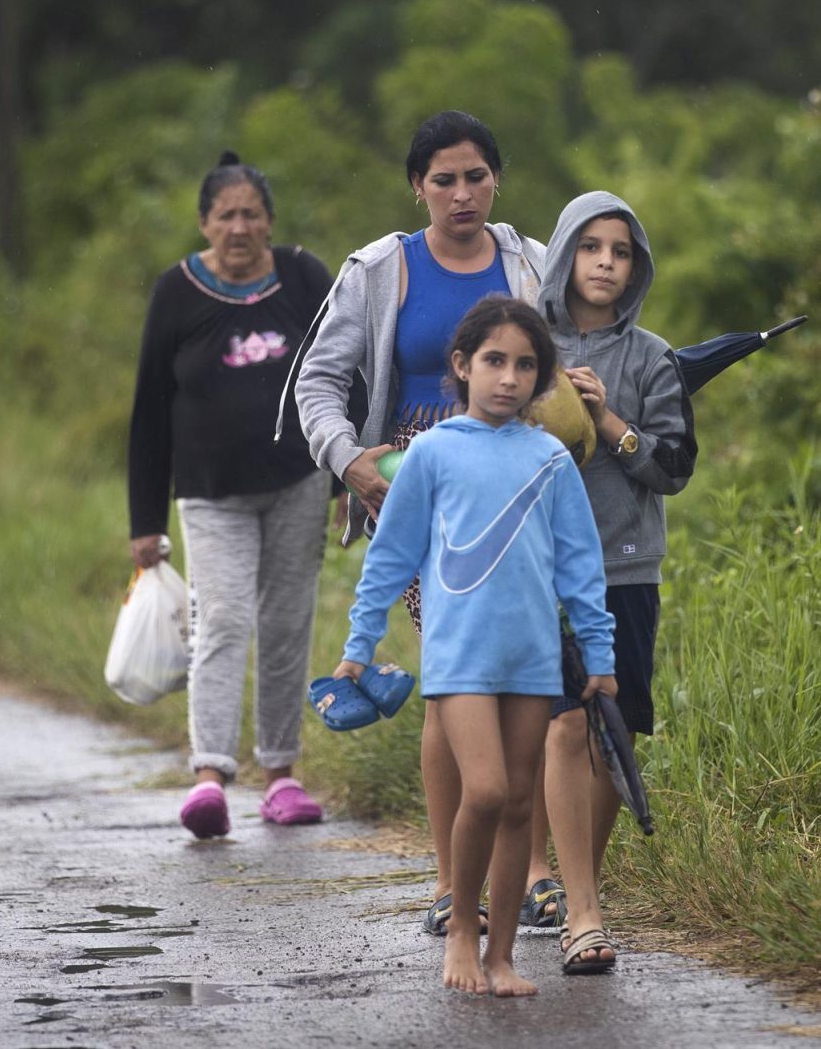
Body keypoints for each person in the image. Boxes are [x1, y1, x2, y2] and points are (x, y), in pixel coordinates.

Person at [291, 111, 593, 935]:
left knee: (528, 672)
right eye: (443, 180)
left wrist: (585, 397)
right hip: (420, 492)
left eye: (476, 177)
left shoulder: (532, 264)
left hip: (522, 491)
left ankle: (530, 875)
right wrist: (349, 459)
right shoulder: (380, 269)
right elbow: (316, 381)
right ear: (417, 187)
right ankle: (450, 881)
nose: (461, 194)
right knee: (457, 679)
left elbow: (564, 366)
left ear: (497, 179)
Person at [330, 298, 617, 996]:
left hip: (532, 659)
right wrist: (359, 645)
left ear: (541, 378)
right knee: (485, 789)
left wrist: (601, 659)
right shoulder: (429, 453)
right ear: (461, 366)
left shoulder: (550, 458)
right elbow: (390, 558)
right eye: (494, 361)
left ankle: (503, 959)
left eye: (525, 365)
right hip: (458, 659)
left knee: (520, 802)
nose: (509, 378)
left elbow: (582, 568)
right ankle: (463, 926)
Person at [127, 151, 336, 839]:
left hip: (299, 483)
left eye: (252, 214)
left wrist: (348, 473)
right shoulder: (177, 291)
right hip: (210, 493)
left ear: (270, 221)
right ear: (204, 222)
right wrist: (144, 521)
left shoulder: (305, 276)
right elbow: (150, 409)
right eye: (226, 215)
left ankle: (281, 775)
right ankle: (209, 777)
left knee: (286, 625)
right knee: (221, 622)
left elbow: (346, 370)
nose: (239, 227)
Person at [530, 191, 697, 970]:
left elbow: (673, 469)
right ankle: (585, 913)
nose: (605, 262)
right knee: (563, 724)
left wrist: (608, 423)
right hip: (536, 569)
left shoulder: (654, 356)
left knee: (609, 732)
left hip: (624, 570)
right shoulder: (524, 343)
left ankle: (579, 890)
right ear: (564, 254)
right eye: (591, 246)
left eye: (621, 251)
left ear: (636, 266)